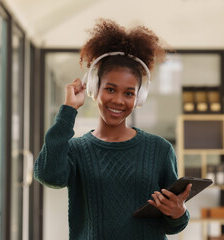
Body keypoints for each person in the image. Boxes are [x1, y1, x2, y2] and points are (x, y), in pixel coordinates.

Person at [34, 19, 191, 240]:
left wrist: (179, 213)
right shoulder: (76, 150)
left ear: (139, 97)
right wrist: (68, 110)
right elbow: (48, 176)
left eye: (128, 93)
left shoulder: (159, 149)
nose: (118, 100)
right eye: (110, 89)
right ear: (94, 88)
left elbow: (172, 225)